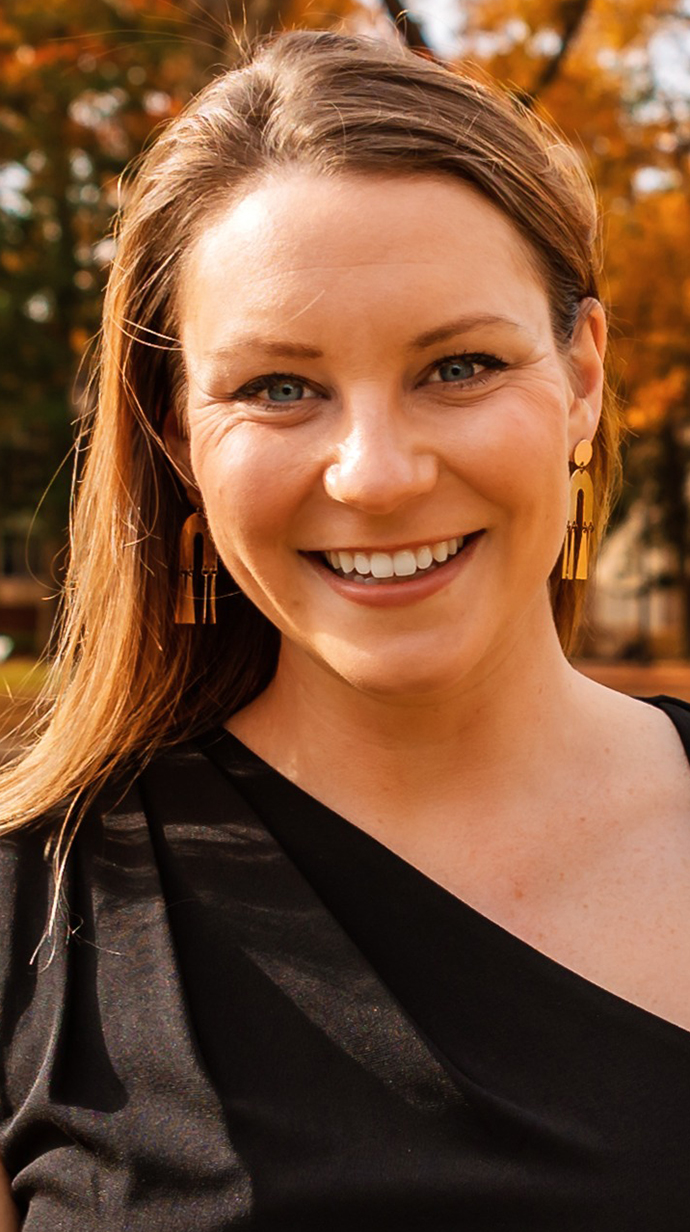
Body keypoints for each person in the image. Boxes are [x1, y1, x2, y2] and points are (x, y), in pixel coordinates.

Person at [2, 26, 690, 1232]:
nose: (374, 474)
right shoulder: (31, 904)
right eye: (278, 388)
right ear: (177, 436)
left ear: (582, 376)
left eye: (459, 365)